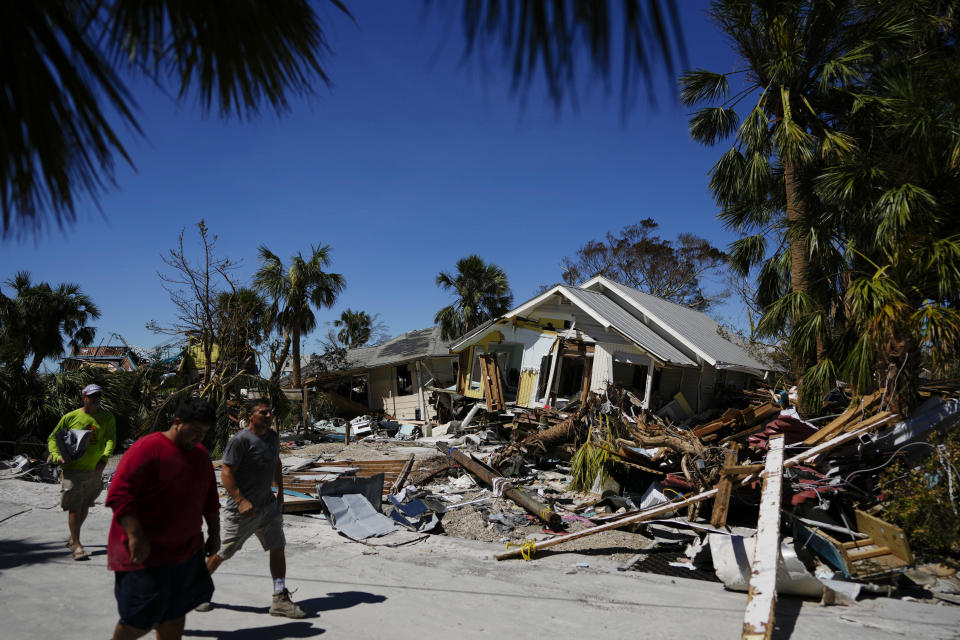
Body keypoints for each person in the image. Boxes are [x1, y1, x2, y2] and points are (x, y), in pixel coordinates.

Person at [106, 397, 220, 640]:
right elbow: (120, 495)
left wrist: (215, 533)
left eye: (205, 432)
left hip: (185, 552)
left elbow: (210, 498)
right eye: (195, 431)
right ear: (178, 422)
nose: (199, 437)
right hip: (145, 554)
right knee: (138, 621)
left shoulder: (200, 455)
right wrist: (136, 536)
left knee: (175, 618)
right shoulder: (147, 449)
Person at [196, 398, 306, 618]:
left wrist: (280, 490)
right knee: (223, 552)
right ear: (250, 416)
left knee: (278, 547)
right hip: (241, 511)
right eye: (263, 413)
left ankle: (279, 598)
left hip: (267, 507)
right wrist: (240, 500)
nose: (268, 416)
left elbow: (276, 462)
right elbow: (226, 472)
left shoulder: (273, 437)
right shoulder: (240, 440)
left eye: (269, 412)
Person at [47, 382, 116, 561]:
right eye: (91, 396)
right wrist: (57, 457)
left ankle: (73, 537)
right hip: (73, 469)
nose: (95, 399)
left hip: (94, 470)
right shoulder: (71, 417)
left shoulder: (107, 417)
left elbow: (110, 439)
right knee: (74, 507)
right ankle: (77, 544)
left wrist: (104, 458)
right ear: (84, 397)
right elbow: (53, 438)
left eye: (98, 396)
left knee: (85, 506)